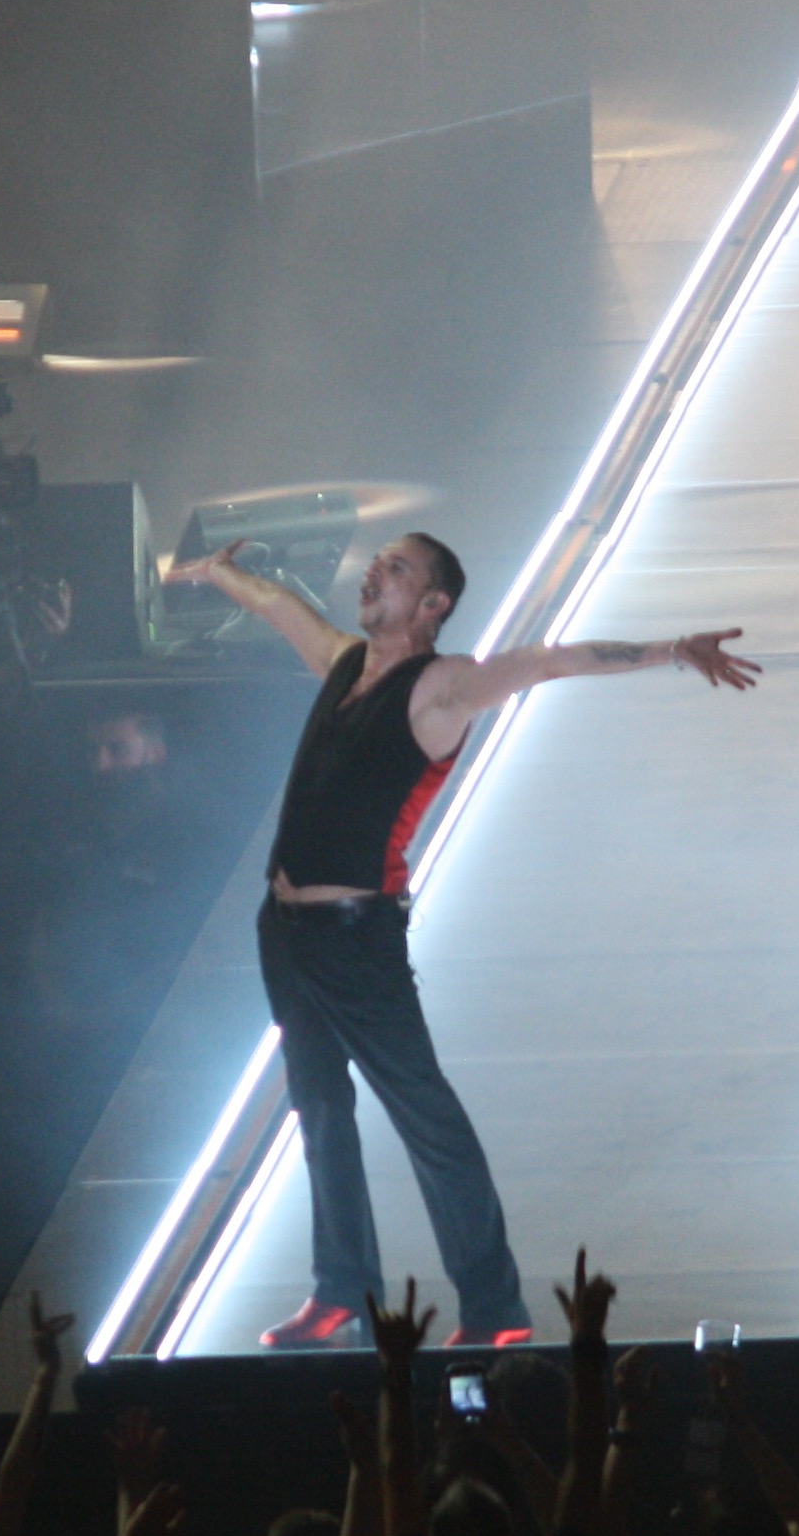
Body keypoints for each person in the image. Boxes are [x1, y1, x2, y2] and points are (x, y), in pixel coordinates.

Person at [169, 528, 763, 1349]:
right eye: (378, 561)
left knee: (425, 1116)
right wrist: (221, 573)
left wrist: (672, 650)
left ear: (433, 603)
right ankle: (342, 1290)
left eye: (396, 568)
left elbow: (549, 661)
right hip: (285, 932)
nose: (375, 571)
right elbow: (279, 605)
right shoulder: (343, 662)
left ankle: (493, 1308)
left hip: (355, 938)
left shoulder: (443, 687)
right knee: (320, 1109)